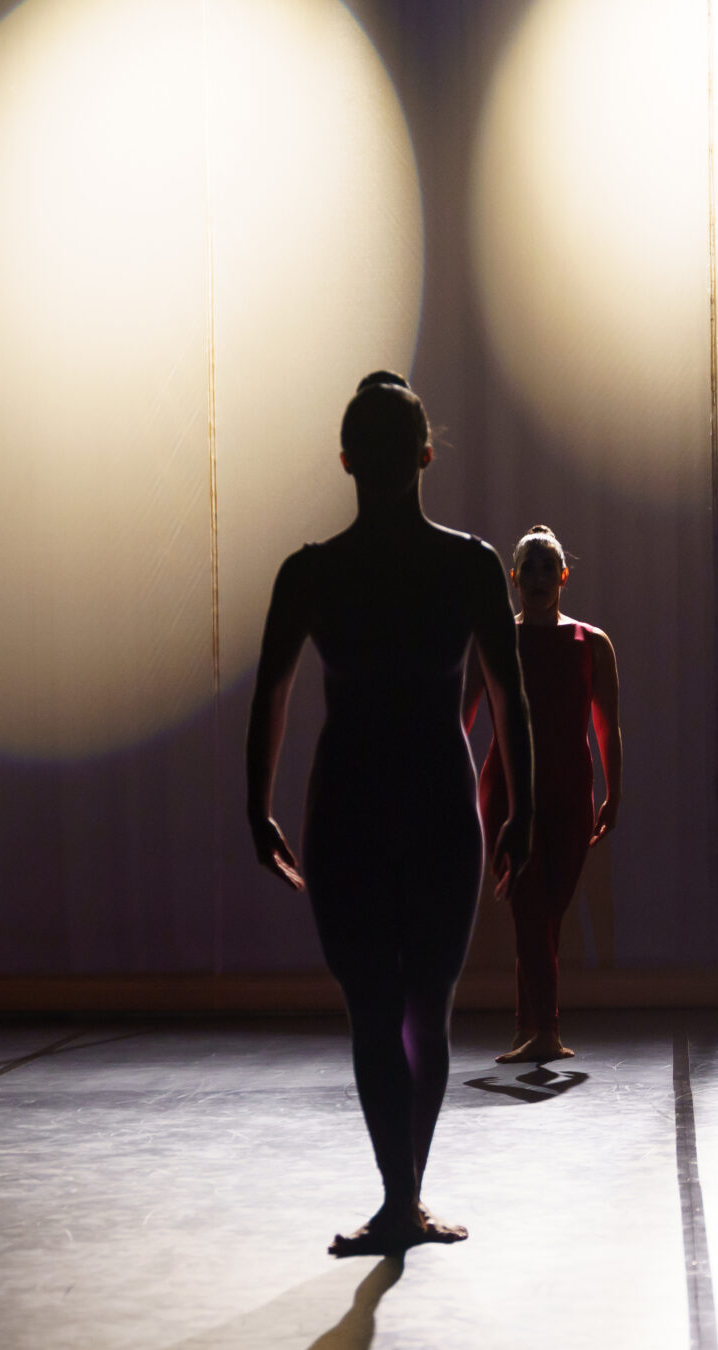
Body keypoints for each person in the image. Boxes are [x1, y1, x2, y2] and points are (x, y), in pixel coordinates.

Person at [247, 372, 534, 1256]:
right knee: (395, 1007)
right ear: (362, 458)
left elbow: (509, 694)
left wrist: (523, 805)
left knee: (406, 1007)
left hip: (401, 807)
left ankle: (402, 1195)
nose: (379, 461)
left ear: (418, 455)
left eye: (388, 446)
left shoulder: (454, 566)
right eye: (373, 447)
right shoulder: (327, 573)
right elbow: (271, 694)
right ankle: (401, 1196)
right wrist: (255, 806)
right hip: (381, 810)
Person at [464, 525, 622, 1064]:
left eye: (546, 567)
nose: (537, 577)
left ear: (563, 576)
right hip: (510, 792)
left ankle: (523, 1026)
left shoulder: (592, 643)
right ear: (513, 577)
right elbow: (461, 717)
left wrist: (615, 793)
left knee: (547, 912)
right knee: (528, 906)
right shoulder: (494, 640)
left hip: (572, 791)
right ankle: (547, 1033)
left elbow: (607, 727)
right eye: (527, 568)